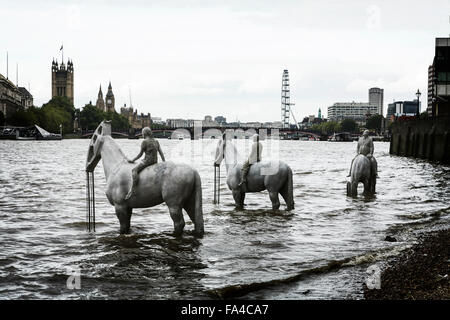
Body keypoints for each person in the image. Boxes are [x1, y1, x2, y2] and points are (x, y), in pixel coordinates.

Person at [125, 127, 165, 200]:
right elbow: (161, 153)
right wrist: (164, 162)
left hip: (147, 161)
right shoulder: (156, 141)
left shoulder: (144, 142)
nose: (142, 134)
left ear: (145, 133)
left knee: (134, 170)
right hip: (155, 161)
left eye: (142, 133)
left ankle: (133, 189)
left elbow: (140, 154)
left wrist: (132, 160)